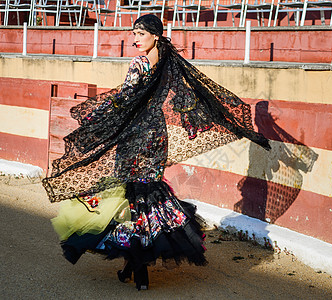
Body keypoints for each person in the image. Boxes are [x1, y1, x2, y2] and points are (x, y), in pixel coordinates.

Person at [42, 14, 270, 291]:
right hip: (156, 137)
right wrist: (193, 123)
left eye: (140, 34)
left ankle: (136, 264)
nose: (134, 39)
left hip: (135, 137)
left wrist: (94, 116)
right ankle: (136, 267)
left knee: (128, 193)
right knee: (147, 191)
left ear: (156, 36)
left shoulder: (139, 64)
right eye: (134, 33)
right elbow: (187, 99)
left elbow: (123, 98)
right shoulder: (170, 64)